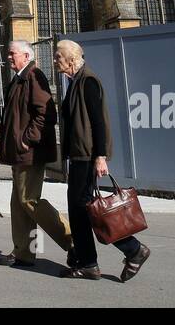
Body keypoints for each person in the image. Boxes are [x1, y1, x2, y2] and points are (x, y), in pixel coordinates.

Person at [54, 38, 151, 281]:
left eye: (58, 56)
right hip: (80, 155)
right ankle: (88, 262)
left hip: (88, 156)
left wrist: (101, 156)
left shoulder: (88, 81)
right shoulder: (75, 81)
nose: (55, 60)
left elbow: (100, 121)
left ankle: (133, 250)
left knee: (89, 210)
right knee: (81, 211)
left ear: (72, 59)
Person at [0, 40, 75, 268]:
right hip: (20, 153)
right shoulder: (21, 77)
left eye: (12, 53)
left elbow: (46, 113)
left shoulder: (33, 76)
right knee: (19, 205)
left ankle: (72, 240)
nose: (8, 57)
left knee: (29, 200)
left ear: (26, 56)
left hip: (30, 152)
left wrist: (26, 139)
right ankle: (25, 252)